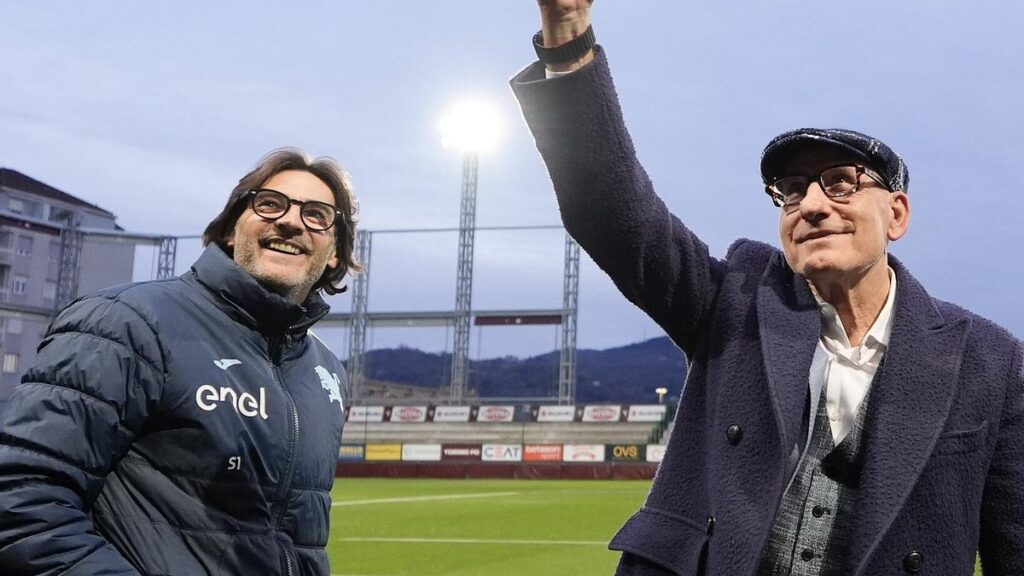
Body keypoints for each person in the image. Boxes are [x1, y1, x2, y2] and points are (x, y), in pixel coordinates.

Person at [512, 2, 1024, 575]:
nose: (810, 204)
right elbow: (615, 213)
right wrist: (569, 35)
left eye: (840, 183)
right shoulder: (736, 298)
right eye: (791, 189)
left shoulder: (990, 359)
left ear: (897, 215)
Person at [0, 148, 359, 575]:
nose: (290, 220)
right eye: (269, 203)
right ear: (230, 230)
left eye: (317, 214)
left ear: (335, 252)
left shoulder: (326, 373)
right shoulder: (127, 322)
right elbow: (21, 497)